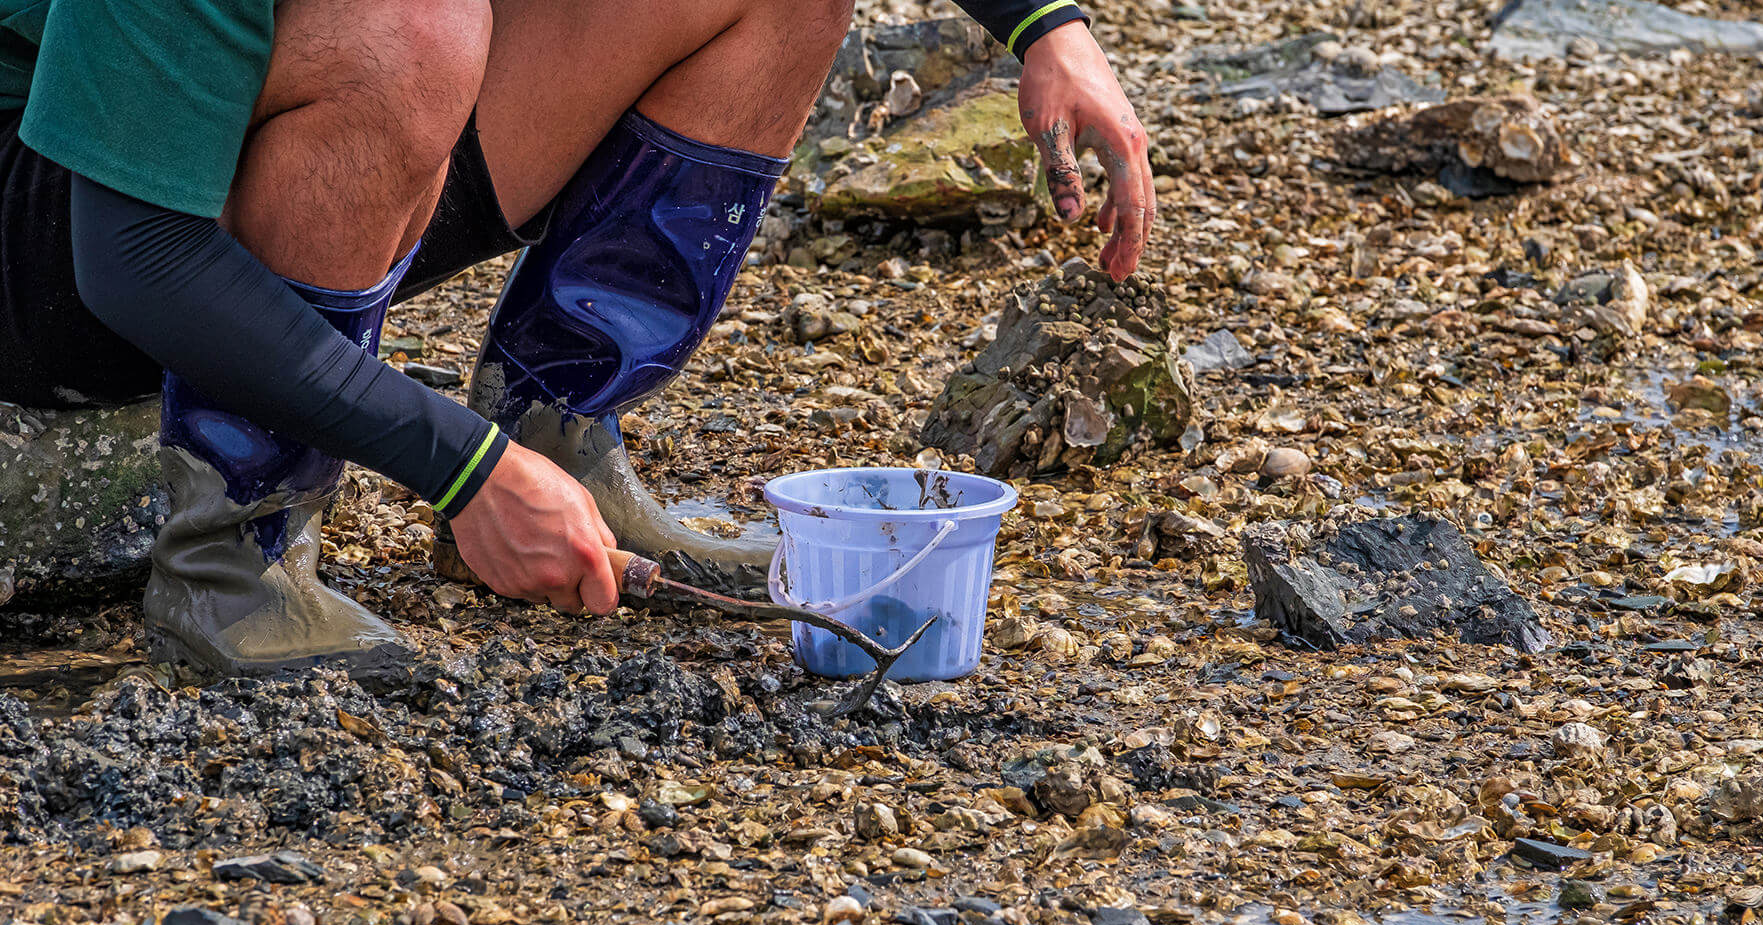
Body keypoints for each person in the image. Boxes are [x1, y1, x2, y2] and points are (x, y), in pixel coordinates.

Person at [0, 0, 1155, 677]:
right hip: (56, 246)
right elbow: (136, 259)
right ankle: (229, 557)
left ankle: (559, 435)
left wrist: (1044, 27)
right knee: (412, 27)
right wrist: (459, 468)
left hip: (280, 144)